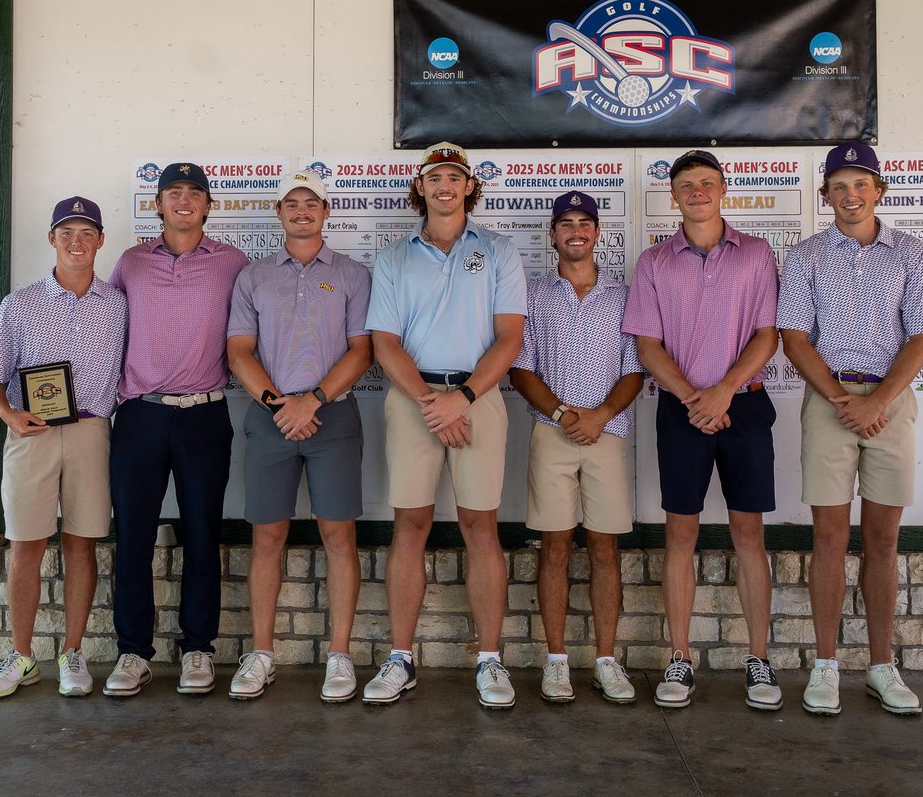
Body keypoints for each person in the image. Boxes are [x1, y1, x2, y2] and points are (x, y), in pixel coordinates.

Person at [777, 142, 923, 717]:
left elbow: (922, 337)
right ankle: (824, 667)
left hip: (890, 403)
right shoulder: (805, 257)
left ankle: (879, 665)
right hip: (830, 403)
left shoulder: (912, 254)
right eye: (839, 186)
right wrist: (843, 400)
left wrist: (879, 402)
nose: (851, 195)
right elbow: (795, 338)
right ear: (825, 196)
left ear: (879, 191)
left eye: (861, 184)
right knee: (828, 537)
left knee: (883, 539)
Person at [363, 141, 526, 709]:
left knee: (481, 527)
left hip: (477, 396)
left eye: (455, 177)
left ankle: (489, 659)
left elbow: (510, 337)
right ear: (421, 189)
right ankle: (401, 657)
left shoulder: (500, 251)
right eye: (434, 178)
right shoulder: (392, 257)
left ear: (469, 188)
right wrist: (433, 402)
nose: (444, 186)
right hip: (414, 398)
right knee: (409, 525)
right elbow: (384, 342)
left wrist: (463, 397)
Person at [622, 150, 783, 711]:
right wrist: (695, 397)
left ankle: (759, 659)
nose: (697, 192)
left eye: (707, 183)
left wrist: (722, 391)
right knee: (680, 535)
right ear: (673, 195)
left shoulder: (757, 255)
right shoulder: (654, 262)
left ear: (723, 190)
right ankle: (680, 656)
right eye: (686, 185)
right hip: (681, 412)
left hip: (745, 405)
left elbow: (767, 335)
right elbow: (647, 344)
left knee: (749, 534)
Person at [225, 171, 373, 702]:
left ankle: (339, 656)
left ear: (327, 212)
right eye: (292, 203)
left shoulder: (354, 274)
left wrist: (313, 400)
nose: (302, 211)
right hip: (270, 416)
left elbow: (362, 349)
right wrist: (278, 403)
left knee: (339, 537)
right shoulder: (253, 276)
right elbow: (239, 350)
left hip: (332, 416)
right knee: (267, 538)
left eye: (312, 203)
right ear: (279, 210)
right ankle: (262, 654)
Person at [103, 162, 248, 697]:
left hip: (205, 414)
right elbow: (107, 326)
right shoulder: (131, 262)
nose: (184, 201)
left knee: (203, 534)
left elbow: (251, 334)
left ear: (209, 206)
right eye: (173, 193)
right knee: (134, 537)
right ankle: (133, 651)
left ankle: (197, 649)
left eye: (194, 193)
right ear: (158, 204)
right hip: (141, 414)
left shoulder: (233, 263)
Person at [0, 197, 127, 699]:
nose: (77, 242)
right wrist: (10, 416)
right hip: (31, 433)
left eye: (87, 233)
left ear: (101, 240)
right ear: (52, 240)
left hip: (90, 432)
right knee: (26, 543)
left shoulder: (118, 304)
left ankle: (73, 651)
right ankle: (21, 655)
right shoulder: (20, 304)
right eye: (67, 233)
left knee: (81, 541)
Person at [509, 191, 644, 705]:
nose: (575, 231)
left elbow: (635, 368)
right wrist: (565, 414)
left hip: (608, 433)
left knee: (605, 548)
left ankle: (607, 660)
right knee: (556, 547)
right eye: (565, 223)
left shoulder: (624, 295)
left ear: (597, 233)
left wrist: (600, 416)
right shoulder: (534, 294)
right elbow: (521, 367)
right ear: (552, 236)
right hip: (553, 431)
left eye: (584, 222)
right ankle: (557, 661)